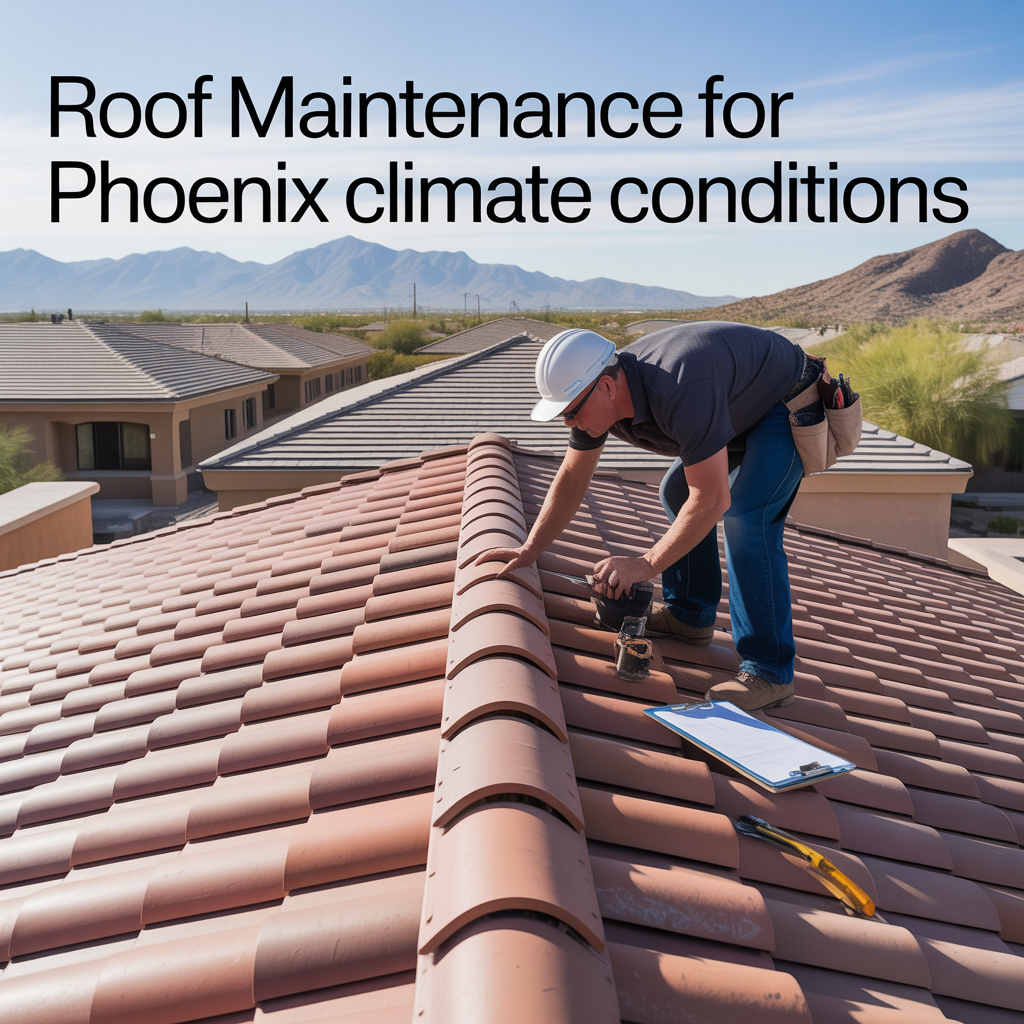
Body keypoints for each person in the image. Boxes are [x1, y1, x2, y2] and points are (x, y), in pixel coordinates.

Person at [477, 321, 818, 712]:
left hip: (786, 401)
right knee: (675, 490)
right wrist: (529, 548)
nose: (568, 423)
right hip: (736, 402)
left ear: (606, 387)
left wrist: (646, 564)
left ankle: (770, 671)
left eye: (570, 412)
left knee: (746, 515)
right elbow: (572, 477)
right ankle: (690, 615)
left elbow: (711, 500)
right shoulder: (604, 394)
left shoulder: (680, 387)